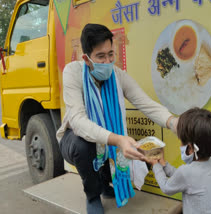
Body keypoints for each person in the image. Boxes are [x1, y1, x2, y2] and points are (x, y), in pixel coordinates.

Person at [56, 23, 178, 214]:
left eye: (110, 54)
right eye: (100, 56)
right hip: (74, 139)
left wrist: (173, 122)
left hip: (106, 139)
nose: (107, 62)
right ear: (87, 59)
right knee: (86, 145)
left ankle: (105, 183)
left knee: (138, 146)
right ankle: (93, 195)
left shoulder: (118, 75)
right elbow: (79, 122)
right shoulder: (73, 73)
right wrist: (118, 139)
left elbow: (145, 103)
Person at [147, 108, 211, 214]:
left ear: (190, 148)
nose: (180, 145)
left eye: (181, 142)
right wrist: (164, 164)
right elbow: (183, 178)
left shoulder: (186, 172)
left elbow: (166, 187)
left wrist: (155, 165)